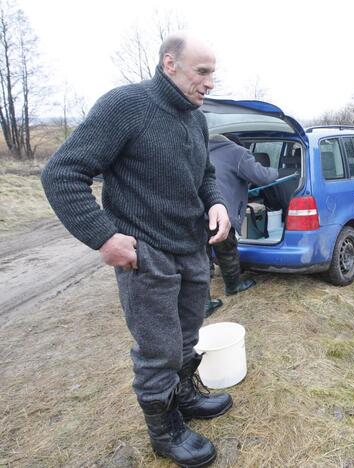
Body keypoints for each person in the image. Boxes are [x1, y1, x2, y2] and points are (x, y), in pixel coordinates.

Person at [41, 33, 232, 467]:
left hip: (191, 248)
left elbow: (205, 174)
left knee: (187, 335)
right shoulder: (128, 106)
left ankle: (183, 395)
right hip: (146, 254)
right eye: (202, 72)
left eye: (212, 73)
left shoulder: (195, 119)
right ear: (170, 64)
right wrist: (103, 236)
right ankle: (164, 432)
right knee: (158, 348)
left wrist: (216, 201)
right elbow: (62, 174)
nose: (210, 83)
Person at [206, 134, 279, 310]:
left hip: (194, 211)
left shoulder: (200, 148)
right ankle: (232, 286)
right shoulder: (237, 152)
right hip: (219, 212)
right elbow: (262, 176)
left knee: (200, 258)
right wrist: (277, 171)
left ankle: (202, 304)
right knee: (227, 251)